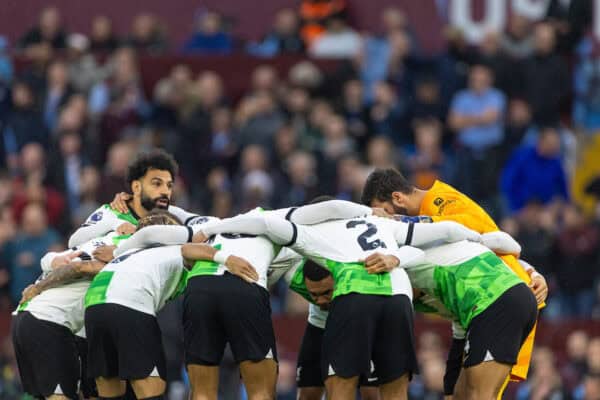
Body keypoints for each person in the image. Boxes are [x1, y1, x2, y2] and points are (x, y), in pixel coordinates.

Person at [192, 201, 481, 399]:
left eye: (322, 293)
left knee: (344, 389)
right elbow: (440, 234)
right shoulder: (380, 224)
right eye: (314, 295)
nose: (319, 299)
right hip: (396, 298)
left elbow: (265, 224)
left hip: (354, 300)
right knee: (383, 390)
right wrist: (483, 240)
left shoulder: (310, 240)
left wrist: (213, 230)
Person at [110, 199, 384, 400]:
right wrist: (368, 211)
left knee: (202, 392)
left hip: (199, 288)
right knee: (260, 391)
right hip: (244, 284)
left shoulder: (206, 223)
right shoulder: (276, 216)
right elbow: (331, 208)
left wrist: (129, 208)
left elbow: (172, 212)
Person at [360, 168, 548, 398]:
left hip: (499, 294)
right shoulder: (425, 236)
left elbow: (490, 237)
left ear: (398, 198)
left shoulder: (439, 201)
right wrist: (532, 271)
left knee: (483, 394)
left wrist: (530, 272)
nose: (387, 221)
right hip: (477, 306)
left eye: (387, 212)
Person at [11, 210, 178, 400]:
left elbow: (53, 259)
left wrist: (48, 267)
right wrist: (38, 287)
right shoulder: (123, 247)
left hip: (28, 317)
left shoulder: (100, 240)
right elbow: (79, 267)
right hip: (50, 321)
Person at [83, 213, 250, 398]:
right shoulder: (171, 248)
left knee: (111, 392)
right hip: (132, 306)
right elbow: (188, 249)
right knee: (151, 392)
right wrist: (227, 258)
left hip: (94, 306)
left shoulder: (125, 253)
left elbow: (78, 266)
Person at [68, 149, 199, 248]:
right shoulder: (114, 211)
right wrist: (115, 224)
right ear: (136, 187)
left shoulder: (171, 214)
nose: (165, 191)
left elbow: (206, 223)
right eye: (157, 184)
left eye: (169, 185)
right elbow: (73, 241)